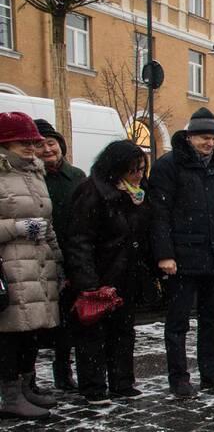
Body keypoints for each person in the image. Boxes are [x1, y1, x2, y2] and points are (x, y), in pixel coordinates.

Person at [149, 107, 214, 398]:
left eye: (213, 138)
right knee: (178, 323)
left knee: (212, 318)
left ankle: (211, 371)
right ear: (189, 136)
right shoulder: (169, 165)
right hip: (182, 258)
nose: (208, 143)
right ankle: (179, 378)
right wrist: (165, 254)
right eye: (203, 137)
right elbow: (159, 213)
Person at [63, 140, 151, 405]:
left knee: (123, 331)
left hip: (126, 274)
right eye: (133, 169)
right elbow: (80, 240)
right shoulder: (91, 192)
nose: (138, 175)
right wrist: (88, 282)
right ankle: (94, 387)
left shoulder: (135, 194)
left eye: (141, 169)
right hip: (100, 274)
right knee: (93, 335)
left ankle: (122, 382)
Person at [0, 112, 62, 419]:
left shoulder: (35, 174)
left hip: (38, 264)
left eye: (33, 141)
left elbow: (46, 223)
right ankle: (9, 394)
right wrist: (18, 227)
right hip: (9, 266)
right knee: (11, 332)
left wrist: (57, 257)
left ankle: (26, 386)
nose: (30, 147)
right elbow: (26, 223)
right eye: (23, 141)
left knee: (31, 331)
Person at [34, 119, 85, 393]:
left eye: (51, 143)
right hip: (36, 260)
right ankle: (26, 378)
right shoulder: (29, 177)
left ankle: (63, 371)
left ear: (60, 146)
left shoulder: (76, 177)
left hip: (70, 256)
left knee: (67, 320)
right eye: (40, 145)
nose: (47, 149)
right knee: (33, 321)